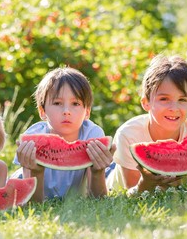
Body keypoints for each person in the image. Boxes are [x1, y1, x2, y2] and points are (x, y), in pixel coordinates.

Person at [106, 54, 187, 195]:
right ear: (146, 102)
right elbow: (131, 194)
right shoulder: (128, 134)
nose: (174, 108)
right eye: (164, 99)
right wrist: (146, 184)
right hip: (113, 183)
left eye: (182, 99)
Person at [11, 67, 115, 202]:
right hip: (33, 190)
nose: (66, 111)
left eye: (75, 103)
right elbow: (33, 204)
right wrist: (35, 172)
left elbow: (97, 199)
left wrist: (98, 172)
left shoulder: (92, 134)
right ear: (42, 111)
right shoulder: (33, 137)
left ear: (87, 112)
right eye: (57, 103)